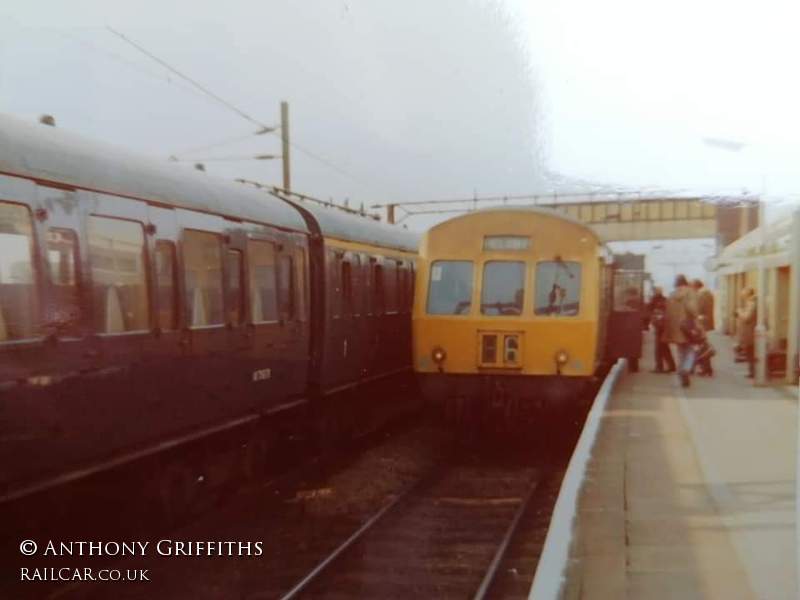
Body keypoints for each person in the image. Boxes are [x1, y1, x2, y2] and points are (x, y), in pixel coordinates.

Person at [664, 274, 699, 387]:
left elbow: (667, 313)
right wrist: (696, 316)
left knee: (680, 352)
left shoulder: (672, 295)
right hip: (688, 326)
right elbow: (692, 309)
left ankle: (681, 372)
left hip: (676, 328)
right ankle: (686, 369)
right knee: (691, 350)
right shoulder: (690, 293)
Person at [647, 287, 675, 373]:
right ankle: (671, 366)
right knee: (664, 347)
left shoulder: (655, 300)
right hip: (664, 326)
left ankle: (659, 367)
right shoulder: (665, 300)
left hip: (660, 327)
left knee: (659, 347)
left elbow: (649, 309)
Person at [692, 280, 715, 376]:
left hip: (701, 323)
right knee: (703, 346)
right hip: (704, 322)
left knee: (702, 347)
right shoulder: (707, 293)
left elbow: (698, 309)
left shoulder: (702, 295)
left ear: (695, 286)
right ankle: (707, 368)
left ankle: (705, 369)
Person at [737, 287, 757, 378]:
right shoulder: (751, 303)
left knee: (750, 352)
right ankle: (752, 371)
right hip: (749, 331)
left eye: (743, 294)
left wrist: (739, 312)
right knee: (750, 352)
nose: (742, 295)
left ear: (747, 294)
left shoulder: (751, 303)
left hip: (750, 332)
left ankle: (753, 372)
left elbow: (747, 317)